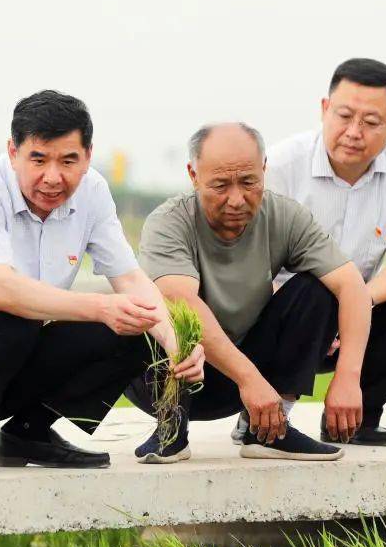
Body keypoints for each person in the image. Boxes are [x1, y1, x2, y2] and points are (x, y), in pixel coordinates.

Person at [0, 90, 204, 476]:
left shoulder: (93, 191)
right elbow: (2, 291)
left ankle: (28, 432)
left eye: (69, 160)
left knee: (138, 321)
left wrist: (174, 341)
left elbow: (131, 279)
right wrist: (101, 308)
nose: (53, 177)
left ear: (87, 156)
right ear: (12, 152)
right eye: (38, 159)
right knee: (17, 311)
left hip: (13, 349)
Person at [126, 122, 371, 463]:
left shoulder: (285, 216)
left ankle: (270, 428)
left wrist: (348, 376)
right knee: (159, 315)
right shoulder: (168, 223)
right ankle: (171, 428)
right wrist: (250, 379)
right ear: (193, 175)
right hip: (170, 376)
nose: (237, 199)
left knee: (317, 288)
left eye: (249, 182)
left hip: (247, 378)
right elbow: (183, 303)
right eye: (221, 185)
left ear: (264, 170)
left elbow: (352, 286)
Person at [264, 58, 386, 446]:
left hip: (355, 317)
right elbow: (252, 268)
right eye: (344, 115)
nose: (353, 132)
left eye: (370, 122)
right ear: (323, 109)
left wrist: (358, 302)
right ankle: (266, 414)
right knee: (313, 287)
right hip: (283, 316)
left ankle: (355, 420)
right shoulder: (283, 164)